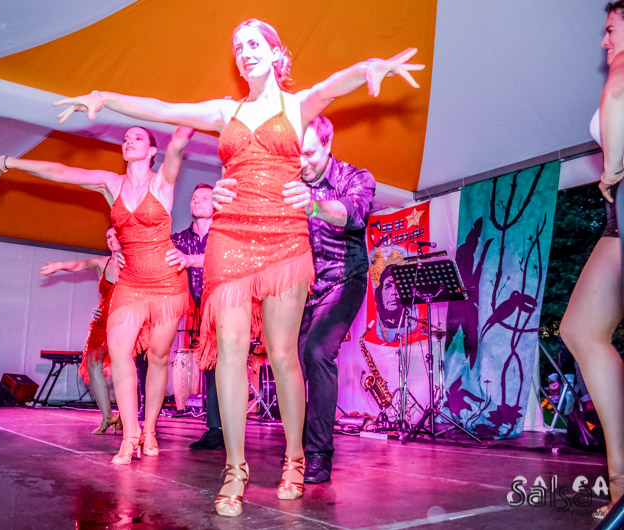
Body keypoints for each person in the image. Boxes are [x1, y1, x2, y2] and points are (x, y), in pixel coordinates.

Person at [52, 19, 421, 516]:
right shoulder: (227, 110)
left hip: (284, 237)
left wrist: (370, 67)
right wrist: (105, 97)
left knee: (283, 354)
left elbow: (337, 84)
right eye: (237, 46)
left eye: (253, 43)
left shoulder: (297, 104)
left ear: (275, 53)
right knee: (228, 352)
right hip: (230, 236)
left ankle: (295, 458)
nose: (245, 52)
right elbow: (164, 109)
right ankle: (235, 469)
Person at [0, 125, 193, 465]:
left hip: (167, 281)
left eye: (138, 138)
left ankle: (150, 430)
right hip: (130, 282)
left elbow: (177, 145)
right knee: (119, 354)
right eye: (126, 138)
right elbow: (62, 172)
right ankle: (130, 434)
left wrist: (188, 124)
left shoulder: (162, 181)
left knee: (159, 356)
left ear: (152, 151)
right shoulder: (111, 184)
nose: (128, 141)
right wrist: (9, 162)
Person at [215, 115, 375, 484]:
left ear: (328, 144)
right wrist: (224, 192)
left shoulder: (354, 178)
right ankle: (296, 450)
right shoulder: (285, 178)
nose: (301, 163)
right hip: (299, 287)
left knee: (317, 352)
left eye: (309, 153)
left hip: (343, 281)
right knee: (288, 359)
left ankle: (318, 454)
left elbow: (354, 214)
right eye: (296, 154)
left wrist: (314, 206)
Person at [560, 1, 624, 517]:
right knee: (580, 328)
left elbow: (617, 99)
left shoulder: (623, 66)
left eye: (611, 29)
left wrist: (613, 168)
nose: (605, 42)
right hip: (616, 217)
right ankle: (620, 481)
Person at [38, 226, 122, 435]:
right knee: (93, 364)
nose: (111, 239)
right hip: (101, 321)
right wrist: (59, 265)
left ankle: (125, 416)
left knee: (123, 367)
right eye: (108, 237)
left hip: (125, 322)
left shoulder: (135, 264)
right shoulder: (102, 263)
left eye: (115, 235)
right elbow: (79, 264)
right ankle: (107, 417)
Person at [166, 183, 225, 450]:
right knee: (211, 367)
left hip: (230, 306)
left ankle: (228, 429)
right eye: (194, 198)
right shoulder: (180, 239)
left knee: (227, 366)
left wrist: (190, 260)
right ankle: (216, 430)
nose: (197, 201)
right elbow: (157, 251)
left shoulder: (223, 234)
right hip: (205, 311)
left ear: (216, 204)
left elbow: (221, 259)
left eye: (204, 197)